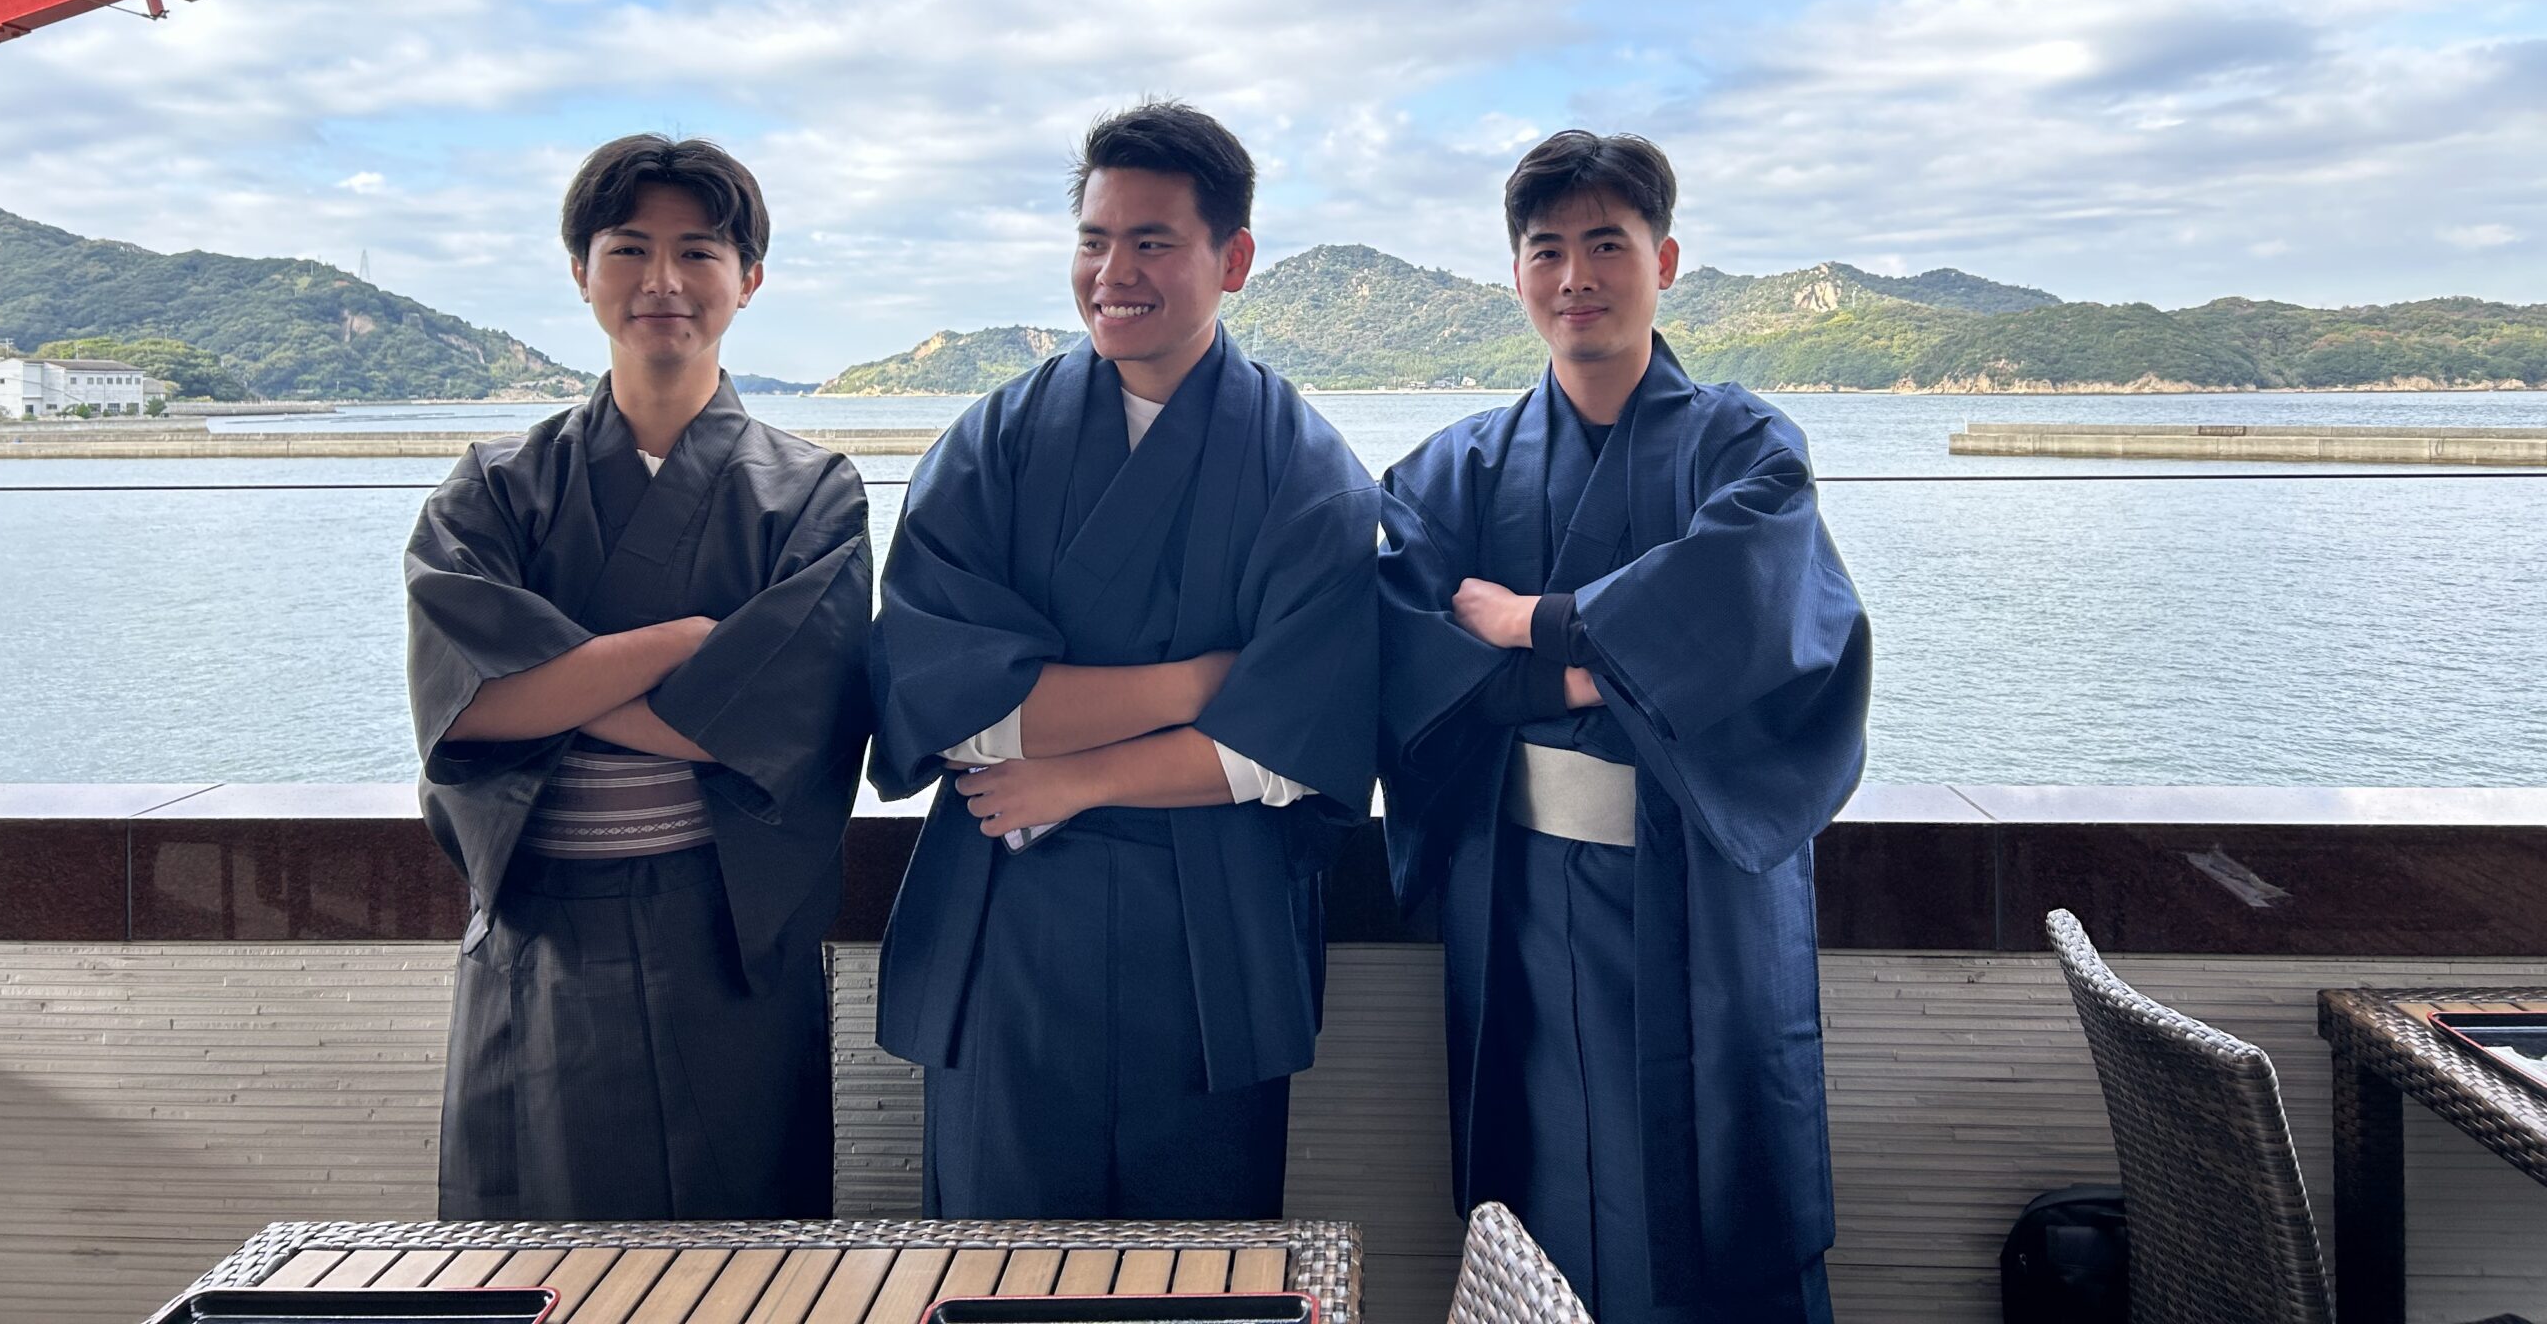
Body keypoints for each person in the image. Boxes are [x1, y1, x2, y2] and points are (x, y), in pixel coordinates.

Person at [1377, 130, 1870, 1324]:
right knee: (1540, 1194)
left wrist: (1534, 625)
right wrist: (1605, 672)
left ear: (1666, 261)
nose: (1576, 277)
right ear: (1516, 275)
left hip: (1700, 886)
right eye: (1547, 250)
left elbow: (1757, 611)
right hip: (1521, 894)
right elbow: (1406, 654)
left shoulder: (1745, 448)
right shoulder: (1453, 470)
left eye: (1608, 244)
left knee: (1720, 1196)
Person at [871, 99, 1378, 1220]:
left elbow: (1289, 749)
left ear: (1232, 259)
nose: (1113, 273)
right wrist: (1196, 687)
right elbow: (950, 706)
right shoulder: (991, 447)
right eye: (1094, 240)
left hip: (1209, 938)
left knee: (1199, 1270)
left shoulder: (1305, 471)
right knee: (994, 1263)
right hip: (1007, 925)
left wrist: (1073, 776)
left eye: (1152, 241)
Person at [405, 133, 873, 1220]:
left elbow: (781, 723)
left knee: (741, 1261)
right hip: (542, 931)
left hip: (721, 929)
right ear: (582, 272)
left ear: (748, 279)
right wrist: (684, 643)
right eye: (629, 249)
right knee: (536, 1259)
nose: (663, 280)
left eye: (698, 251)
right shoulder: (494, 488)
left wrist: (560, 688)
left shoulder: (810, 493)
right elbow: (473, 708)